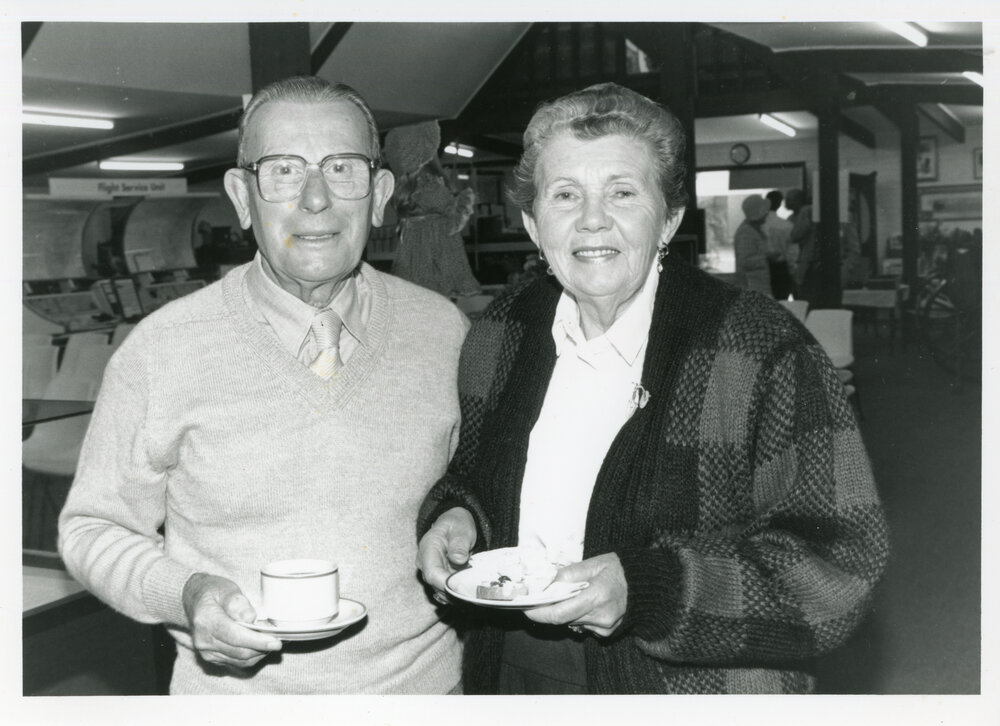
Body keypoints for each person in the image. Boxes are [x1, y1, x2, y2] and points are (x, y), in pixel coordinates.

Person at [415, 82, 889, 694]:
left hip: (685, 687)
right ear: (533, 225)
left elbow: (840, 570)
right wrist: (458, 515)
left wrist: (651, 588)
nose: (592, 219)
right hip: (513, 672)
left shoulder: (759, 350)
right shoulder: (498, 335)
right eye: (565, 195)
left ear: (669, 219)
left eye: (622, 192)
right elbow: (475, 478)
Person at [58, 76, 467, 695]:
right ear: (242, 197)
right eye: (281, 171)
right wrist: (185, 594)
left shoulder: (444, 332)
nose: (314, 199)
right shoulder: (162, 349)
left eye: (342, 168)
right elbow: (92, 528)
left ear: (379, 195)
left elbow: (481, 494)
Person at [384, 120, 482, 297]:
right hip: (436, 250)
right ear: (425, 153)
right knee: (437, 296)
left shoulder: (407, 185)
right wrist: (464, 199)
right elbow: (452, 216)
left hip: (414, 249)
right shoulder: (429, 184)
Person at [733, 194, 773, 296]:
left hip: (758, 284)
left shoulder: (755, 229)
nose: (767, 214)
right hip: (751, 285)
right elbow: (745, 261)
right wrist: (766, 257)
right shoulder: (746, 232)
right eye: (765, 211)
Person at [787, 188, 821, 306]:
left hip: (807, 261)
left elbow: (795, 235)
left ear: (800, 200)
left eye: (790, 199)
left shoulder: (806, 211)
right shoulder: (790, 218)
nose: (786, 202)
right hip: (796, 262)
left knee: (806, 298)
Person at [762, 189, 795, 299]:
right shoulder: (787, 225)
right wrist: (791, 270)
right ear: (780, 204)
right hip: (781, 269)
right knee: (781, 302)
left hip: (763, 266)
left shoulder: (758, 225)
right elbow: (791, 251)